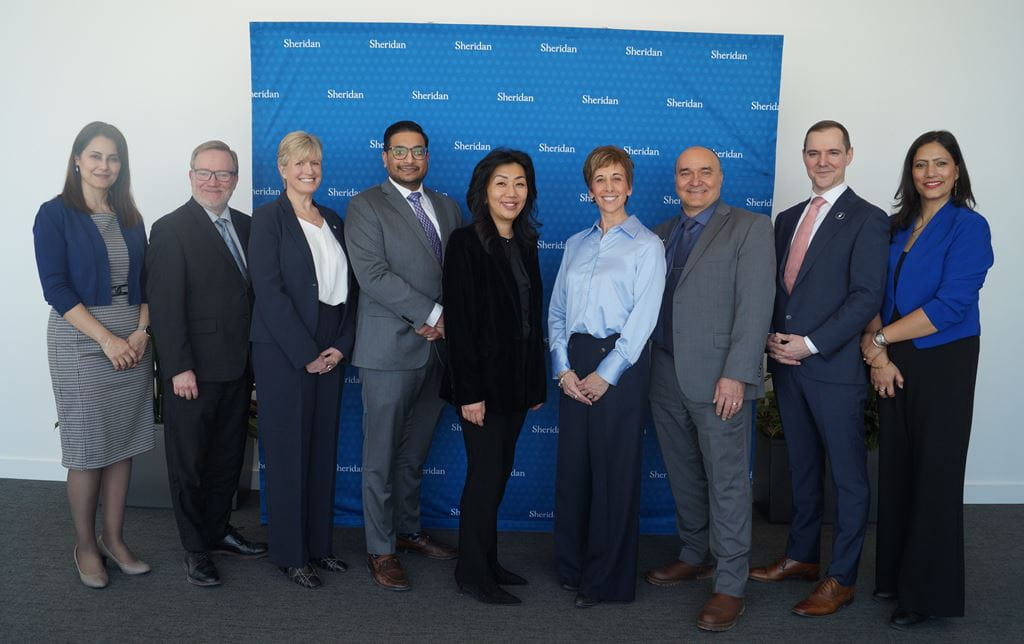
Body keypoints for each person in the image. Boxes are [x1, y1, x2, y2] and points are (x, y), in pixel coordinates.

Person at [749, 120, 889, 616]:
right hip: (786, 366)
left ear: (849, 154)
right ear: (803, 157)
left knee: (848, 476)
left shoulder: (869, 219)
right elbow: (780, 289)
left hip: (830, 367)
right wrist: (771, 336)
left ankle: (841, 577)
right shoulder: (787, 217)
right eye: (813, 152)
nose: (822, 161)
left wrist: (810, 344)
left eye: (833, 152)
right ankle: (802, 557)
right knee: (802, 466)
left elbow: (865, 296)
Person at [861, 131, 993, 629]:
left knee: (934, 473)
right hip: (894, 359)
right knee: (897, 467)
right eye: (920, 164)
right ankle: (895, 576)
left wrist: (880, 342)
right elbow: (875, 296)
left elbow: (951, 305)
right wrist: (878, 354)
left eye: (941, 163)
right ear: (910, 174)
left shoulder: (969, 227)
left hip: (943, 358)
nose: (930, 173)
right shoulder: (898, 228)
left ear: (957, 171)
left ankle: (926, 594)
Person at [644, 146, 776, 631]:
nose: (694, 181)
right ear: (675, 180)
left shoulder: (749, 228)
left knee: (725, 482)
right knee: (682, 474)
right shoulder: (659, 233)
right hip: (663, 374)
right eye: (685, 173)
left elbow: (756, 305)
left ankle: (729, 583)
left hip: (720, 377)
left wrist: (738, 373)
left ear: (721, 177)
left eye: (705, 172)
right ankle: (694, 552)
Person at [32, 121, 155, 589]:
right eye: (96, 156)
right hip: (81, 336)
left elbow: (147, 283)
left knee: (121, 444)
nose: (105, 166)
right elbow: (56, 288)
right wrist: (106, 339)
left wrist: (141, 332)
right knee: (87, 451)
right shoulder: (55, 214)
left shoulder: (130, 216)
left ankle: (114, 540)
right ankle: (85, 545)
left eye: (114, 158)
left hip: (133, 334)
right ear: (78, 159)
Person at [345, 120, 462, 591]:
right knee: (380, 455)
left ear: (428, 156)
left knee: (414, 452)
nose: (409, 159)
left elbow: (460, 271)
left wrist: (454, 318)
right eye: (400, 151)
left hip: (439, 351)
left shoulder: (448, 207)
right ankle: (380, 548)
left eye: (417, 151)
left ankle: (408, 530)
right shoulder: (366, 205)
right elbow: (372, 275)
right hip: (388, 349)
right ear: (385, 156)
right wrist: (434, 312)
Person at [548, 145, 666, 608]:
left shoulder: (647, 245)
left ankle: (606, 581)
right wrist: (562, 368)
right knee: (574, 470)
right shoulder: (575, 244)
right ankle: (572, 566)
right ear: (589, 188)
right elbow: (557, 310)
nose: (609, 188)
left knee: (614, 474)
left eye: (618, 178)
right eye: (601, 179)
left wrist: (607, 373)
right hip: (574, 361)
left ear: (630, 186)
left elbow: (644, 319)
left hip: (621, 362)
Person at [146, 140, 268, 587]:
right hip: (192, 372)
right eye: (205, 173)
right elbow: (165, 305)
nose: (214, 182)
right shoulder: (170, 228)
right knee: (190, 463)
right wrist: (178, 367)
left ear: (236, 179)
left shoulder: (249, 226)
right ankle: (196, 548)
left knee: (226, 459)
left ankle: (219, 531)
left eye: (224, 174)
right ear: (191, 175)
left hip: (239, 367)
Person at [249, 131, 358, 588]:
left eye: (314, 163)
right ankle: (290, 554)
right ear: (282, 168)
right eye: (299, 163)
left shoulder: (333, 219)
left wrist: (341, 346)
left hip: (330, 350)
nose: (308, 171)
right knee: (289, 452)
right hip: (285, 354)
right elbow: (269, 293)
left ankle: (319, 546)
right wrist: (306, 353)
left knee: (321, 450)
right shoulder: (268, 218)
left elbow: (352, 293)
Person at [441, 149, 547, 605]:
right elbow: (461, 325)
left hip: (517, 386)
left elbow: (531, 320)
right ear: (484, 190)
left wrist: (536, 385)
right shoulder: (465, 243)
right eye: (501, 182)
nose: (511, 192)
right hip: (480, 389)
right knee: (483, 478)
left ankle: (489, 560)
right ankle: (471, 572)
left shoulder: (526, 243)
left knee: (499, 475)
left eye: (520, 183)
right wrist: (469, 393)